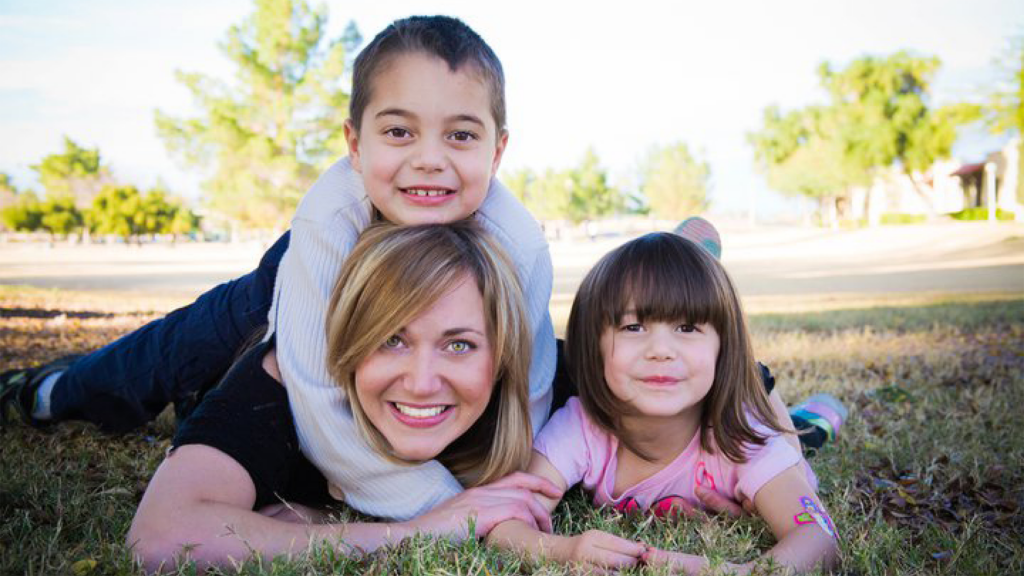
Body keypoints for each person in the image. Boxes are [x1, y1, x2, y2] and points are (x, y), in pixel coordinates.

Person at [1, 15, 557, 521]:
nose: (430, 157)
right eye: (398, 132)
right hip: (269, 295)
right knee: (169, 354)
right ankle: (49, 391)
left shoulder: (521, 245)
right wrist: (443, 506)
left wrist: (506, 486)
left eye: (460, 135)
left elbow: (525, 388)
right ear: (354, 145)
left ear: (498, 150)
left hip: (407, 306)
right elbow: (317, 397)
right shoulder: (327, 218)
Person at [128, 221, 561, 571]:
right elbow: (161, 536)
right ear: (347, 345)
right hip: (234, 320)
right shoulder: (282, 382)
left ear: (503, 355)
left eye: (459, 345)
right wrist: (418, 530)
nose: (422, 383)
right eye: (392, 339)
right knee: (115, 375)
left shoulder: (544, 382)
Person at [487, 232, 840, 574]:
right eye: (633, 327)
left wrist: (736, 570)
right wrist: (566, 551)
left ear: (723, 346)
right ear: (593, 344)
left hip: (751, 422)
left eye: (686, 328)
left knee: (803, 437)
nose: (659, 351)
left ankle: (822, 413)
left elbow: (819, 539)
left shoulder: (745, 440)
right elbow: (506, 524)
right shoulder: (580, 427)